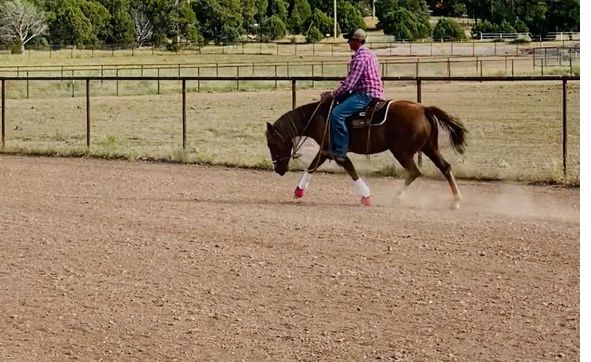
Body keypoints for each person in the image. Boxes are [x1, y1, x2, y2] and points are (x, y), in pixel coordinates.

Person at [320, 28, 384, 163]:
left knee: (336, 114)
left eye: (350, 40)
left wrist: (332, 94)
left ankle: (340, 151)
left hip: (365, 94)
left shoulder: (360, 58)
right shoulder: (370, 53)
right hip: (370, 91)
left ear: (358, 41)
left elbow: (349, 84)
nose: (348, 42)